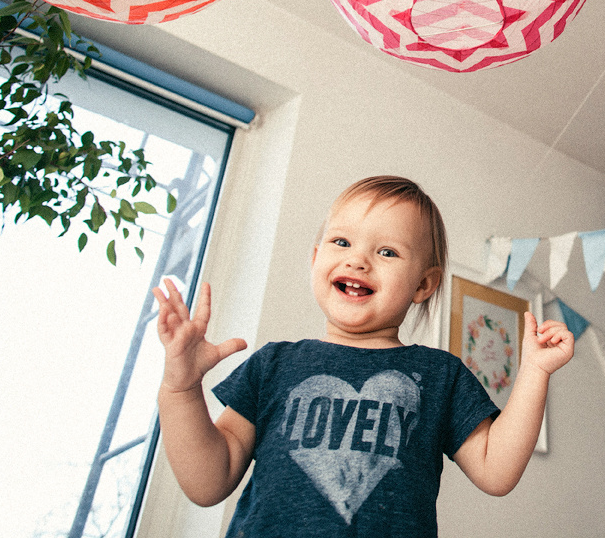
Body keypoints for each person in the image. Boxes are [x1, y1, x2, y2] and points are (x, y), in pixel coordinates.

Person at [153, 175, 574, 537]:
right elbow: (206, 482)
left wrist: (534, 371)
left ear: (423, 285)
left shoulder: (439, 374)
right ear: (316, 258)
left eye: (387, 252)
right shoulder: (275, 365)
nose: (358, 259)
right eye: (341, 242)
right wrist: (182, 388)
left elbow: (496, 472)